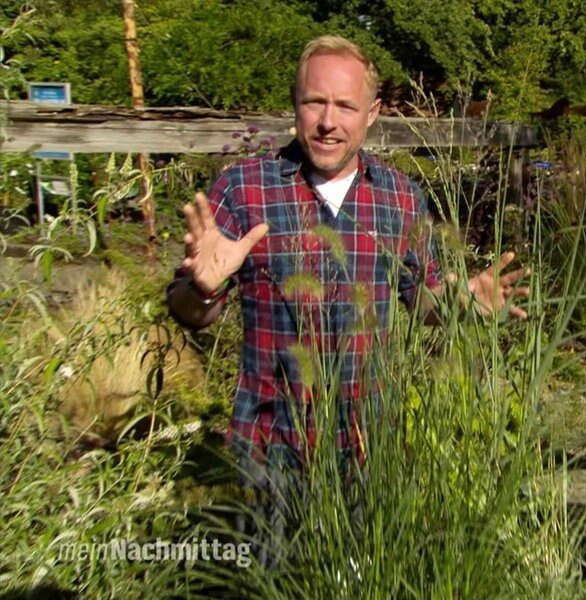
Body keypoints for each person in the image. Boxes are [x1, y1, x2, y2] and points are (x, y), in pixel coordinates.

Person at [166, 35, 529, 517]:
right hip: (269, 442)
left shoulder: (398, 197)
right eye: (314, 102)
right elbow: (187, 311)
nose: (328, 121)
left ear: (372, 112)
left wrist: (467, 302)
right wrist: (202, 288)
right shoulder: (243, 188)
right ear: (295, 104)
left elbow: (423, 299)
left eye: (345, 105)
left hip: (367, 443)